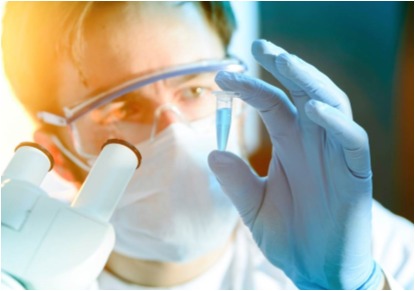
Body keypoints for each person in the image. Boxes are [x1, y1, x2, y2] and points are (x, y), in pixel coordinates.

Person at [2, 2, 413, 290]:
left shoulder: (370, 247)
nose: (175, 133)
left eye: (196, 88)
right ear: (57, 154)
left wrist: (364, 288)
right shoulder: (23, 271)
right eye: (120, 108)